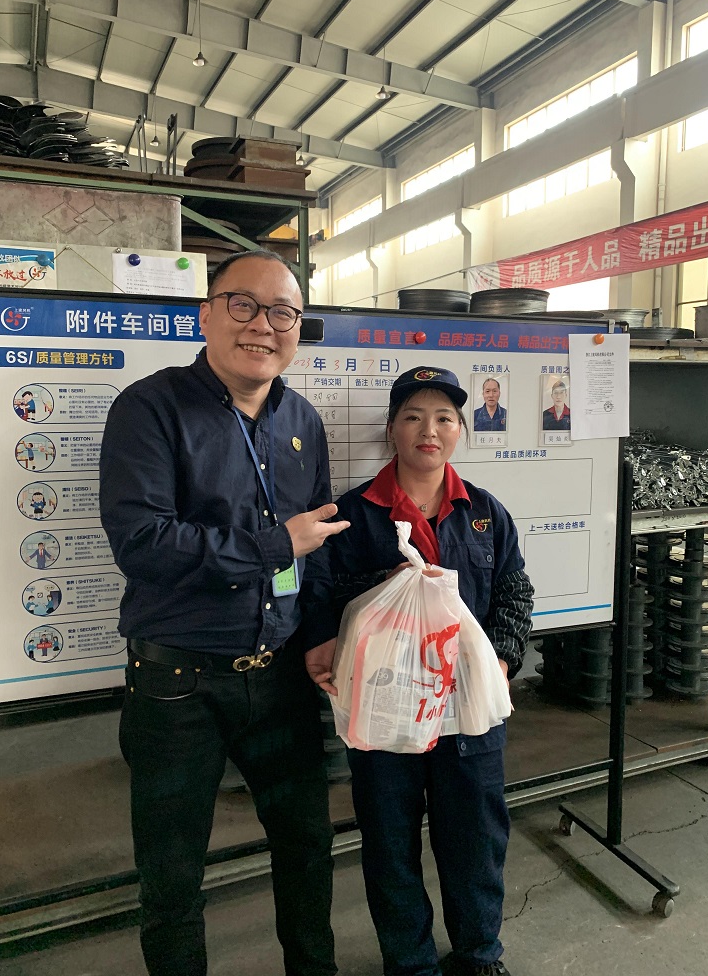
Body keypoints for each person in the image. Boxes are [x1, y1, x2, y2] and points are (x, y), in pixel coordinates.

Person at [99, 249, 349, 976]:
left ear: (297, 329)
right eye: (243, 305)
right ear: (206, 315)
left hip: (281, 678)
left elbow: (317, 544)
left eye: (283, 313)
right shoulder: (149, 409)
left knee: (308, 845)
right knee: (173, 876)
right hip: (178, 688)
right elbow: (143, 543)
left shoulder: (302, 419)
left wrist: (322, 633)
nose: (263, 325)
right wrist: (274, 545)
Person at [304, 366, 534, 976]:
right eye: (412, 417)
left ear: (459, 429)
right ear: (391, 429)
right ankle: (409, 963)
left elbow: (514, 592)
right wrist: (375, 596)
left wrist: (501, 659)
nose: (428, 430)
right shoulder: (352, 515)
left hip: (467, 709)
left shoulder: (484, 513)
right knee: (389, 843)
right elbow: (320, 594)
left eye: (443, 418)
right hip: (385, 710)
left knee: (476, 839)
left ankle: (479, 954)